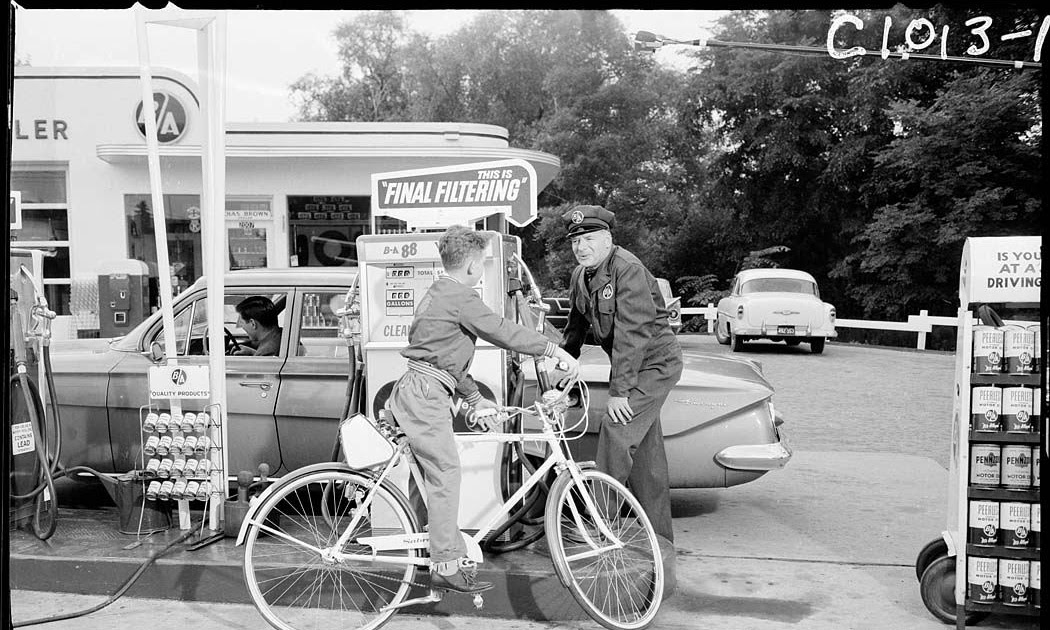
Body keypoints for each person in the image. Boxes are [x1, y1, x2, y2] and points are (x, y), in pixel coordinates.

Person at [386, 225, 580, 594]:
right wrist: (554, 350)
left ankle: (428, 547)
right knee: (445, 472)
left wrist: (474, 399)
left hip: (418, 388)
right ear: (474, 265)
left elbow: (442, 359)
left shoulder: (437, 292)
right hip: (426, 394)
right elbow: (502, 330)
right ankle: (444, 562)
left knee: (426, 477)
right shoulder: (461, 296)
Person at [559, 205, 683, 584]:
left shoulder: (626, 268)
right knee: (647, 456)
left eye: (589, 239)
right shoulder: (582, 275)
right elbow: (575, 327)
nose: (581, 247)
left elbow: (633, 336)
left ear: (608, 239)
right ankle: (660, 539)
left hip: (654, 363)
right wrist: (561, 366)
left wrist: (620, 393)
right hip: (633, 365)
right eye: (576, 241)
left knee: (616, 430)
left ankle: (599, 528)